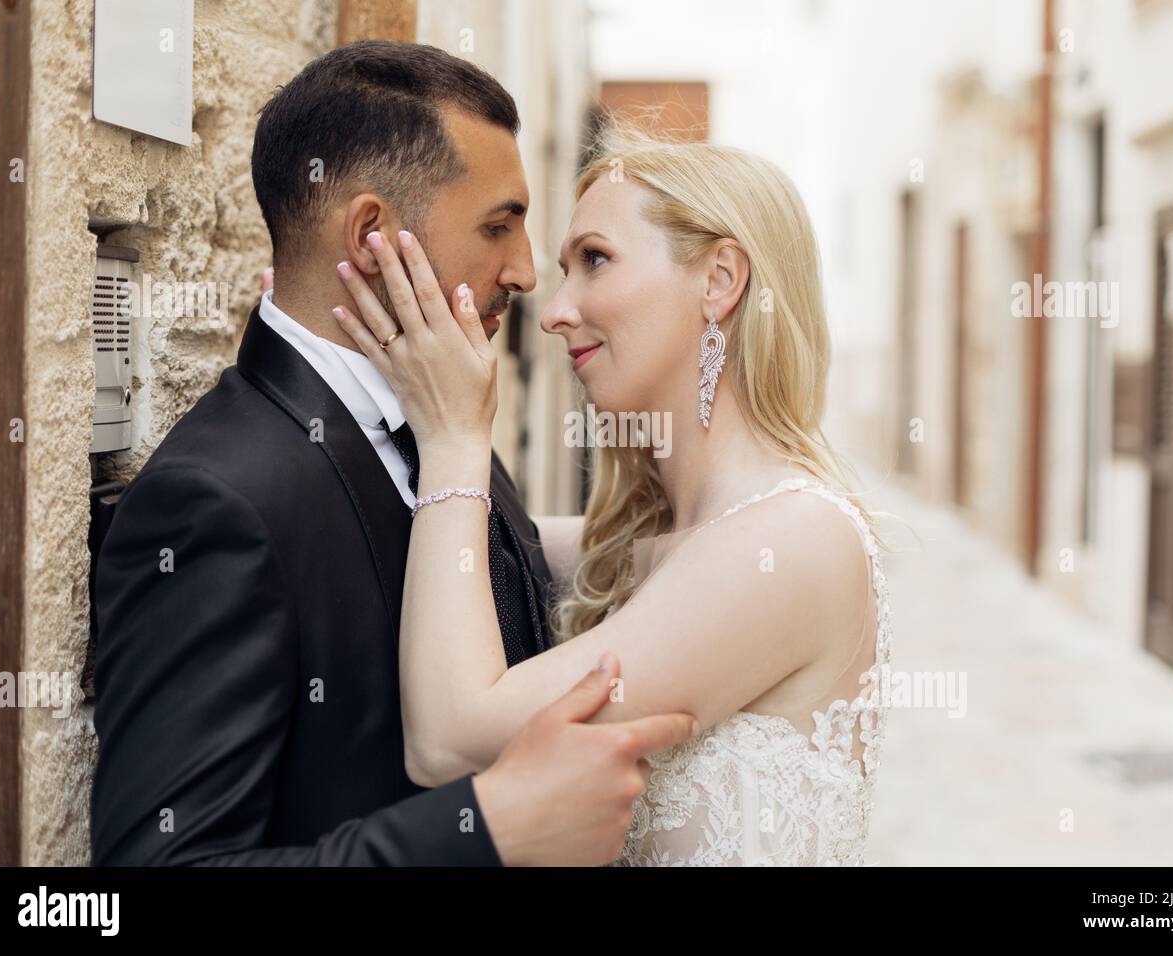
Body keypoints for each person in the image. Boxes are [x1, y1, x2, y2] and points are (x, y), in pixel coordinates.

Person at [90, 41, 697, 867]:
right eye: (498, 226)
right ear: (372, 234)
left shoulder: (444, 413)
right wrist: (489, 831)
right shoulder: (217, 501)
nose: (524, 272)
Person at [331, 131, 895, 866]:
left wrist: (457, 438)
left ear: (720, 278)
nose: (557, 310)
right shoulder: (636, 544)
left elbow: (447, 738)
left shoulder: (791, 544)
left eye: (595, 259)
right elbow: (467, 553)